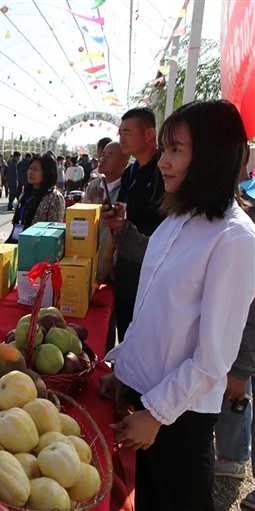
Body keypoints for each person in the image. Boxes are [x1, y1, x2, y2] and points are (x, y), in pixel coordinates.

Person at [102, 100, 255, 511]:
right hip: (147, 400)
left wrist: (156, 414)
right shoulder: (176, 220)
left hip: (179, 418)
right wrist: (124, 372)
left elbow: (213, 359)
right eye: (165, 149)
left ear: (211, 156)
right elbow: (152, 314)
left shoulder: (234, 238)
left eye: (176, 150)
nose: (163, 162)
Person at [103, 107, 165, 344]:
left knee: (147, 336)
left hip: (154, 266)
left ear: (149, 134)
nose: (122, 138)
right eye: (120, 132)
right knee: (125, 328)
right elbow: (125, 215)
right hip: (127, 264)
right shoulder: (131, 172)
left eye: (127, 132)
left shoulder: (164, 170)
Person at [213, 163, 255, 505]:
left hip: (247, 335)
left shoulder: (243, 228)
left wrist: (241, 367)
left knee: (238, 393)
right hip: (240, 332)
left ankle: (234, 456)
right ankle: (233, 455)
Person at [83, 141, 128, 287]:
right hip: (87, 257)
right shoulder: (93, 186)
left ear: (123, 164)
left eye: (109, 156)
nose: (103, 159)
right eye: (103, 155)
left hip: (112, 265)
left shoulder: (126, 190)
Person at [7, 154, 65, 243]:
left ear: (46, 173)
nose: (31, 172)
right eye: (30, 168)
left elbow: (54, 232)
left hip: (36, 246)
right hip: (17, 241)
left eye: (36, 169)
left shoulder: (54, 197)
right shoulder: (26, 192)